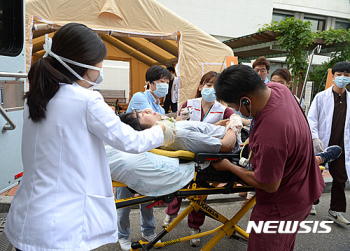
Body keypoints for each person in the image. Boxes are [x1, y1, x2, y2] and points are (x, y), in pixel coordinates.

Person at [3, 23, 174, 251]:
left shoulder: (36, 96)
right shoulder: (86, 101)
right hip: (62, 226)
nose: (100, 70)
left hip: (27, 217)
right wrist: (160, 129)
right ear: (81, 65)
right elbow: (131, 141)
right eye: (99, 63)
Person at [212, 64, 325, 250]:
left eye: (235, 107)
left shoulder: (270, 135)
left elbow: (269, 185)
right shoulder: (278, 89)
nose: (236, 111)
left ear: (246, 101)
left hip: (280, 206)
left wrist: (229, 167)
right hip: (304, 190)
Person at [308, 61, 350, 225]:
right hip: (322, 145)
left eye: (346, 76)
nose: (342, 78)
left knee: (340, 178)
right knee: (314, 174)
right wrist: (315, 137)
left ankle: (335, 210)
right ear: (333, 77)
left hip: (341, 148)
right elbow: (311, 120)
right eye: (339, 75)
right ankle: (310, 201)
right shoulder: (321, 97)